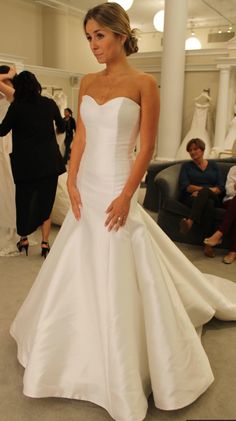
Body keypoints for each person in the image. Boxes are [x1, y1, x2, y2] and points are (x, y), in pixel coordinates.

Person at [9, 4, 236, 421]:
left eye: (99, 35)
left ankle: (121, 359)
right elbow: (79, 141)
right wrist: (72, 181)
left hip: (117, 183)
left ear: (119, 34)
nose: (93, 45)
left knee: (119, 259)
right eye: (88, 38)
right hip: (88, 183)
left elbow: (146, 146)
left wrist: (127, 193)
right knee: (77, 258)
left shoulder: (145, 83)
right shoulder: (89, 83)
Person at [0, 70, 66, 257]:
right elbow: (62, 126)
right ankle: (45, 243)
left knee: (24, 202)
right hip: (49, 163)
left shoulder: (16, 107)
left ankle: (24, 239)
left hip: (25, 165)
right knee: (47, 202)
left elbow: (2, 131)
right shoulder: (49, 103)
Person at [179, 138, 224, 257]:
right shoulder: (186, 166)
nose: (192, 152)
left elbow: (220, 188)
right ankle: (208, 245)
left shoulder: (213, 166)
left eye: (195, 149)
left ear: (202, 150)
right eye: (190, 150)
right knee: (208, 204)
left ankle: (190, 221)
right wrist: (202, 191)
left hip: (214, 196)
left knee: (206, 195)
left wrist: (202, 191)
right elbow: (186, 187)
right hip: (192, 198)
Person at [0, 65, 19, 256]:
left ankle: (9, 234)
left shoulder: (14, 96)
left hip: (7, 146)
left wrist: (9, 76)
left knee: (7, 190)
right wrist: (9, 74)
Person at [204, 165, 236, 264]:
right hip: (231, 201)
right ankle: (232, 252)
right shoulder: (234, 169)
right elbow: (229, 191)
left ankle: (219, 234)